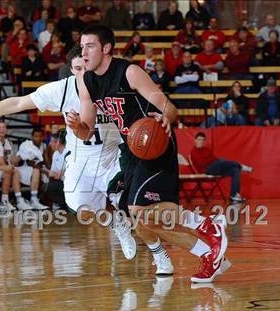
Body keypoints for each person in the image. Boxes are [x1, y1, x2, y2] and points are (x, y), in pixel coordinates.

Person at [67, 24, 230, 282]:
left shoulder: (129, 72)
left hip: (155, 141)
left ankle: (211, 228)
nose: (83, 51)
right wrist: (77, 127)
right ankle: (209, 251)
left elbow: (168, 106)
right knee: (143, 222)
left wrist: (166, 117)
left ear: (106, 48)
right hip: (131, 149)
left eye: (90, 46)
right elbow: (86, 132)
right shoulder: (86, 81)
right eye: (82, 45)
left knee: (137, 208)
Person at [0, 45, 137, 262]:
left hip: (113, 155)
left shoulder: (112, 84)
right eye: (77, 68)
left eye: (86, 67)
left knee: (140, 211)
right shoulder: (62, 89)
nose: (83, 73)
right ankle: (116, 224)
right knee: (82, 210)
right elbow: (18, 102)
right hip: (80, 159)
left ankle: (160, 253)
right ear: (71, 69)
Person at [190, 132, 253, 202]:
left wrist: (210, 160)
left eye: (202, 140)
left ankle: (234, 194)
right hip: (206, 171)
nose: (200, 142)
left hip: (215, 168)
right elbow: (201, 163)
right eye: (199, 140)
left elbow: (214, 159)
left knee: (235, 170)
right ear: (195, 140)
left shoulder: (206, 150)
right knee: (220, 161)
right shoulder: (193, 152)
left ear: (204, 141)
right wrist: (210, 160)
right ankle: (240, 165)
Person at [12, 127, 49, 210]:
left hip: (36, 170)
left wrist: (45, 154)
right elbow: (30, 163)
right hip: (25, 169)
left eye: (40, 136)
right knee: (36, 171)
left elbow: (46, 163)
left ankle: (34, 200)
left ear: (43, 137)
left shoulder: (44, 146)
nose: (38, 138)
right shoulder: (27, 145)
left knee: (40, 172)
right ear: (32, 137)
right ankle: (20, 200)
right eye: (36, 136)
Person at [46, 130, 69, 210]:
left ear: (58, 142)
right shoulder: (55, 154)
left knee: (54, 186)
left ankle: (67, 205)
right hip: (60, 180)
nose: (49, 144)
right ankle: (64, 205)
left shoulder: (68, 152)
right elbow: (51, 173)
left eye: (51, 141)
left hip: (69, 182)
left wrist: (63, 171)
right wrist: (58, 173)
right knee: (49, 186)